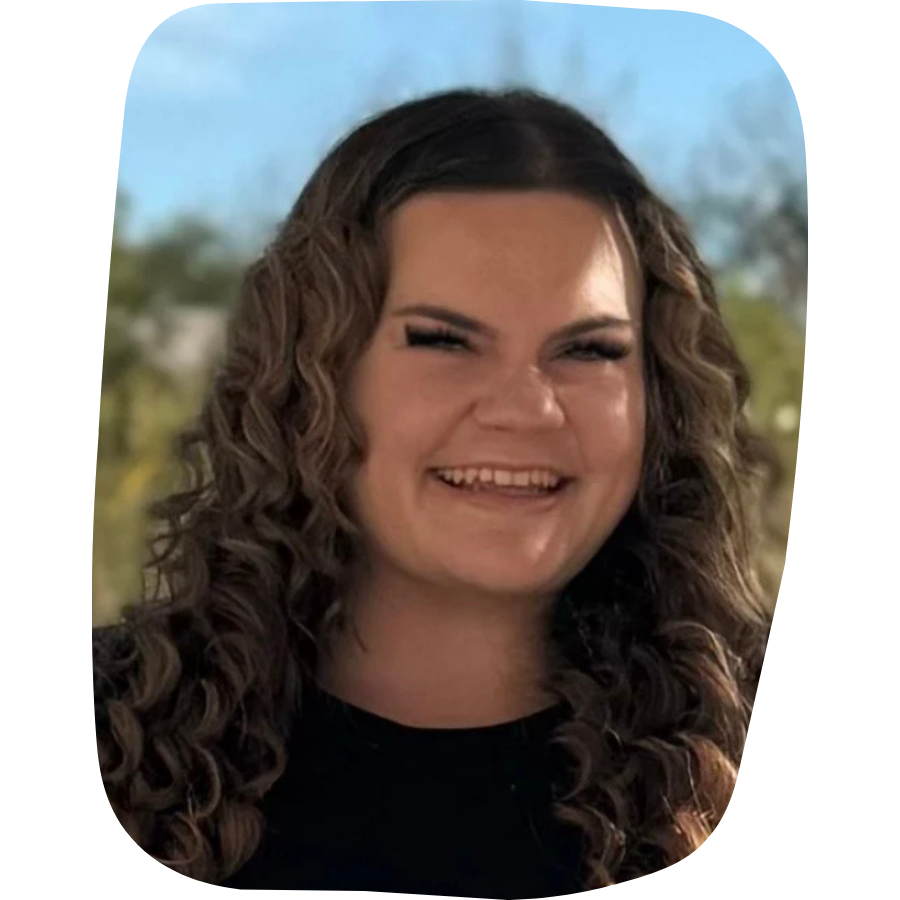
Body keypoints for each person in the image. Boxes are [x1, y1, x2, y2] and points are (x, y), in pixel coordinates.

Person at [94, 86, 782, 897]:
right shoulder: (116, 740)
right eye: (444, 341)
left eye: (590, 350)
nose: (527, 408)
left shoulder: (794, 754)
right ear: (311, 377)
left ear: (656, 394)